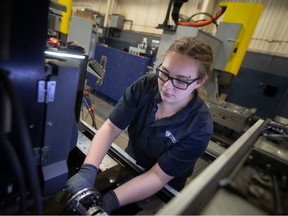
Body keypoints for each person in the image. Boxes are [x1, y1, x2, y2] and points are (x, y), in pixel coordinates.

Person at [67, 36, 214, 214]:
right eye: (165, 73)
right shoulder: (145, 87)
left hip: (163, 186)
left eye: (181, 80)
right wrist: (88, 169)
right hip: (131, 163)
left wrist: (111, 200)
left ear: (200, 81)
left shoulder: (199, 127)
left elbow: (158, 176)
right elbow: (111, 128)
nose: (167, 86)